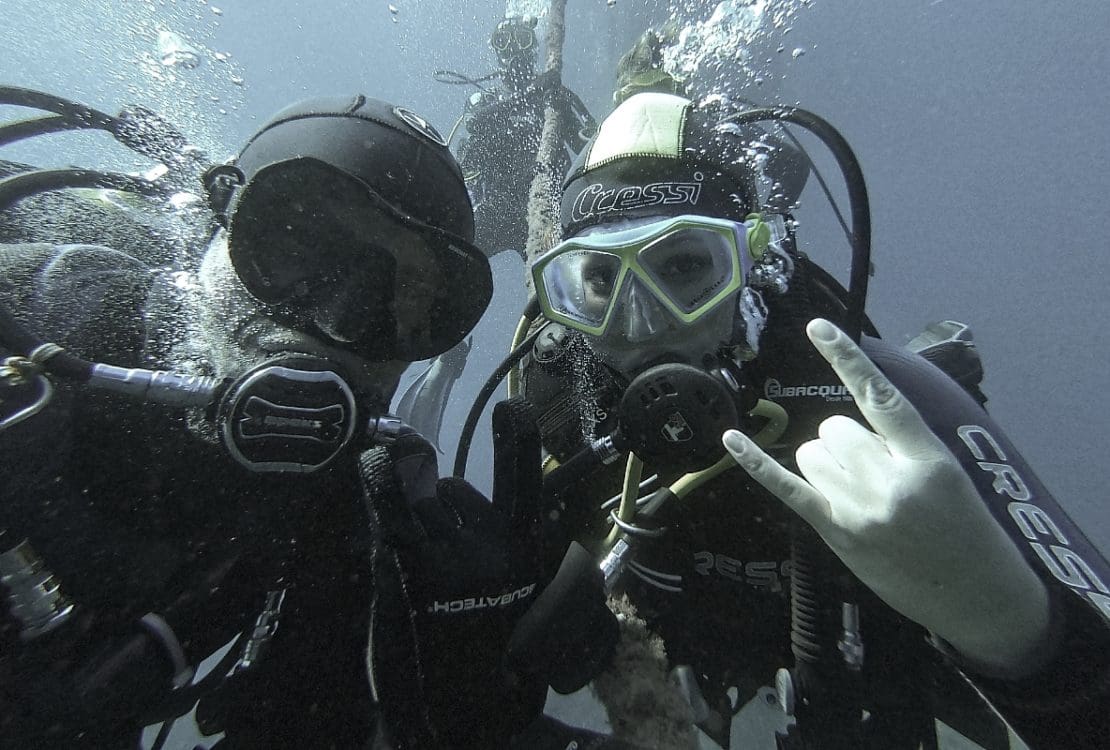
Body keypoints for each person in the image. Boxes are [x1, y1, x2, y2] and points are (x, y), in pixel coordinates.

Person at [513, 92, 1110, 748]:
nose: (642, 318)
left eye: (685, 266)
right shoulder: (558, 412)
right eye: (599, 280)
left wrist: (1012, 624)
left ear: (752, 264)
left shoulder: (885, 403)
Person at [0, 90, 500, 747]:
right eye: (302, 246)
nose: (338, 324)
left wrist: (473, 696)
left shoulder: (342, 515)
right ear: (222, 221)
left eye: (405, 296)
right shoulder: (43, 318)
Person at [444, 15, 596, 257]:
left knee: (565, 276)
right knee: (454, 257)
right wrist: (532, 92)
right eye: (503, 41)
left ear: (534, 46)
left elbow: (589, 149)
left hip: (550, 206)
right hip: (498, 208)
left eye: (522, 40)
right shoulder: (485, 101)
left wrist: (563, 105)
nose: (513, 50)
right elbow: (475, 123)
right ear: (496, 50)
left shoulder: (553, 100)